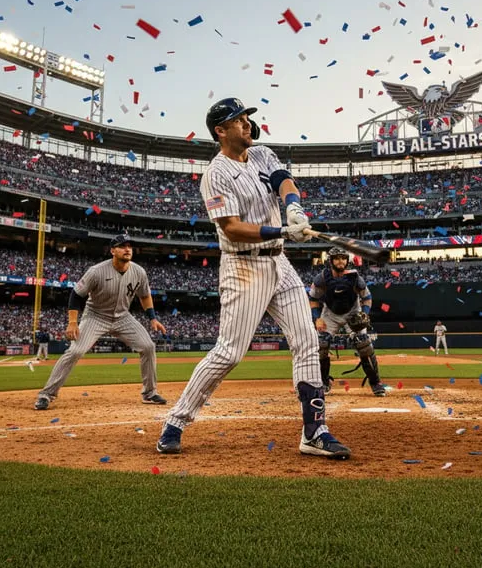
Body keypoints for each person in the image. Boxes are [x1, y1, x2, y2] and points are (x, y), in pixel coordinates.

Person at [156, 97, 350, 459]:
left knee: (308, 340)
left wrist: (293, 208)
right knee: (229, 352)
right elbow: (231, 229)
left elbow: (283, 181)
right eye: (238, 119)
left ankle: (315, 431)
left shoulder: (261, 153)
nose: (247, 124)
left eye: (247, 118)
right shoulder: (215, 174)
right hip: (243, 267)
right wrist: (280, 229)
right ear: (221, 130)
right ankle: (176, 421)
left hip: (280, 265)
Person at [33, 233, 167, 410]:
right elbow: (76, 295)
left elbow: (145, 295)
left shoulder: (139, 271)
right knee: (75, 351)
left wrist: (153, 318)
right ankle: (46, 394)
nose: (127, 249)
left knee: (148, 346)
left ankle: (150, 393)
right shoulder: (96, 271)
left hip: (123, 317)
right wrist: (72, 321)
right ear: (113, 251)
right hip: (96, 316)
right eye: (122, 246)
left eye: (129, 246)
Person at [309, 247, 386, 397]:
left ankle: (376, 383)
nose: (340, 261)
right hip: (330, 313)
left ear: (347, 260)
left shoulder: (355, 277)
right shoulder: (322, 278)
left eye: (343, 258)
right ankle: (324, 383)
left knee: (363, 344)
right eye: (337, 258)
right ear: (330, 261)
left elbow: (367, 298)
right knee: (321, 345)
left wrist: (364, 314)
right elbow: (313, 299)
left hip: (353, 312)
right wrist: (317, 318)